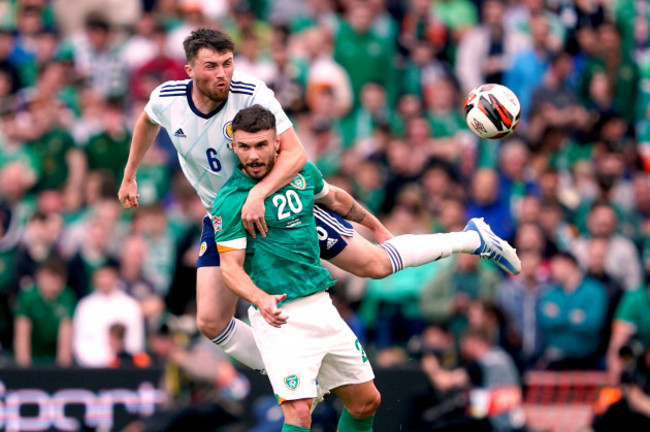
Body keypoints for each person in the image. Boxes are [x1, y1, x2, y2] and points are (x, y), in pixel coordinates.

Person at [118, 28, 521, 373]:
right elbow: (147, 122)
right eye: (211, 66)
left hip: (280, 207)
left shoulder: (252, 93)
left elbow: (295, 156)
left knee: (377, 265)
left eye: (228, 62)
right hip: (225, 215)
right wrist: (130, 172)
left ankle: (473, 239)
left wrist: (259, 194)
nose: (223, 73)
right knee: (209, 321)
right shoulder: (166, 98)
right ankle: (294, 368)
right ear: (189, 70)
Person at [213, 105, 520, 431]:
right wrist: (260, 298)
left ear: (277, 143)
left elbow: (335, 199)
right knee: (298, 414)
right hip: (279, 317)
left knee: (366, 401)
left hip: (320, 306)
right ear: (234, 147)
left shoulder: (300, 174)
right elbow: (230, 269)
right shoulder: (231, 200)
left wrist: (374, 224)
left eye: (261, 145)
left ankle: (472, 238)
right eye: (244, 147)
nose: (253, 155)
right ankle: (471, 239)